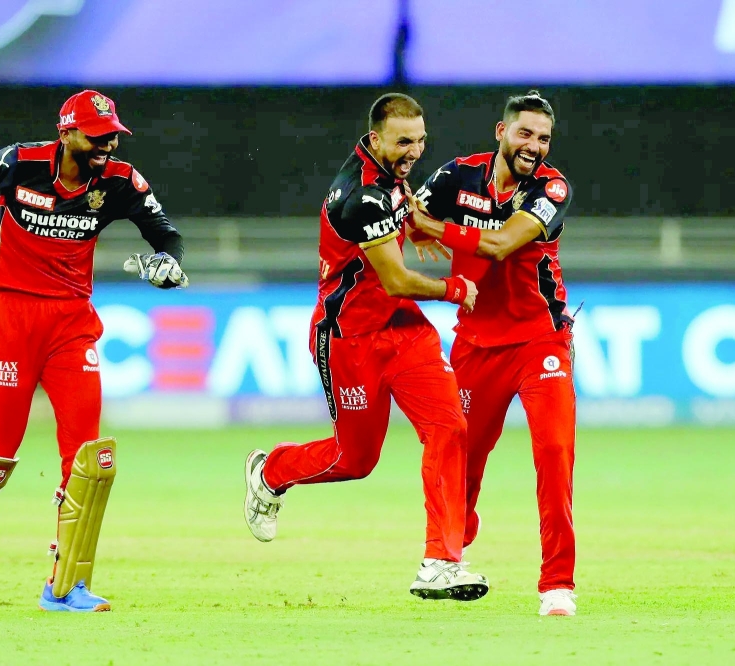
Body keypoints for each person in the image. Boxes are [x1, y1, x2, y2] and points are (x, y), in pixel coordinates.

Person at [0, 89, 188, 612]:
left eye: (113, 135)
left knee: (90, 457)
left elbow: (166, 234)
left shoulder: (120, 181)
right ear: (66, 133)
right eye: (96, 136)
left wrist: (168, 262)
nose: (107, 144)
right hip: (9, 313)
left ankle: (66, 586)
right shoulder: (19, 163)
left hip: (71, 324)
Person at [243, 93, 488, 601]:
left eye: (421, 140)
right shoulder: (360, 196)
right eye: (404, 142)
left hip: (402, 329)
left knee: (449, 427)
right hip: (349, 339)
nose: (414, 151)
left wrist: (414, 225)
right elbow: (396, 280)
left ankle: (440, 562)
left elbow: (400, 209)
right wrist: (454, 289)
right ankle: (270, 472)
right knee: (355, 460)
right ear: (375, 139)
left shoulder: (390, 173)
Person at [409, 90, 578, 616]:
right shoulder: (459, 174)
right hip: (475, 344)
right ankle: (448, 555)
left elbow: (502, 243)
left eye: (543, 138)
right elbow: (406, 213)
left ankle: (557, 584)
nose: (534, 146)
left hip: (540, 341)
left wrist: (433, 228)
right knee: (462, 458)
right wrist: (418, 225)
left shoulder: (551, 187)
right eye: (525, 133)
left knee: (554, 454)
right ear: (501, 131)